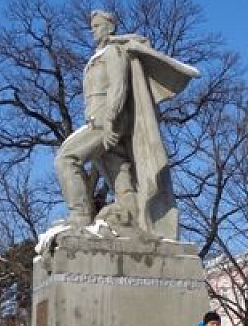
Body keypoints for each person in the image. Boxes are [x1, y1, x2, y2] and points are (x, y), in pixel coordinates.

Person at [53, 10, 199, 238]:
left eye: (98, 26)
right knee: (118, 168)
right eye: (92, 27)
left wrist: (111, 121)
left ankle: (79, 216)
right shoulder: (97, 57)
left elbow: (118, 88)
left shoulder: (113, 52)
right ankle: (130, 214)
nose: (94, 31)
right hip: (97, 120)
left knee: (66, 158)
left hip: (105, 121)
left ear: (110, 27)